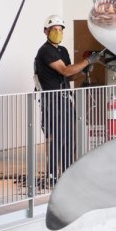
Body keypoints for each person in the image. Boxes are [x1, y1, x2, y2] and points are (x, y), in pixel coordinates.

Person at [33, 15, 93, 184]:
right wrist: (86, 60)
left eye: (60, 30)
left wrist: (84, 70)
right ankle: (52, 175)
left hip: (66, 100)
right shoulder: (45, 51)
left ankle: (66, 173)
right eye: (54, 30)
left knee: (69, 138)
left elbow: (69, 77)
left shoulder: (63, 51)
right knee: (56, 138)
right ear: (46, 31)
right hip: (52, 102)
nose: (58, 33)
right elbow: (65, 70)